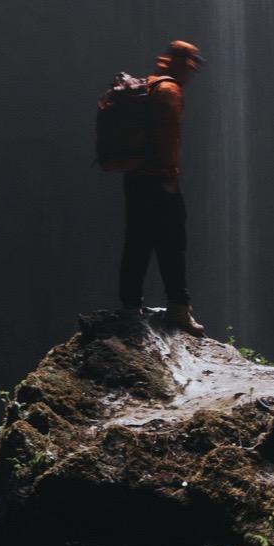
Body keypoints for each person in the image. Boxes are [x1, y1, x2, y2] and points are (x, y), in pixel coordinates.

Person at [119, 39, 205, 336]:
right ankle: (179, 309)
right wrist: (169, 180)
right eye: (191, 67)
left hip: (135, 177)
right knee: (173, 244)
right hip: (158, 180)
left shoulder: (149, 85)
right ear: (183, 66)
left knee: (137, 242)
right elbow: (168, 141)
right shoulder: (169, 91)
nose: (192, 74)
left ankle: (130, 306)